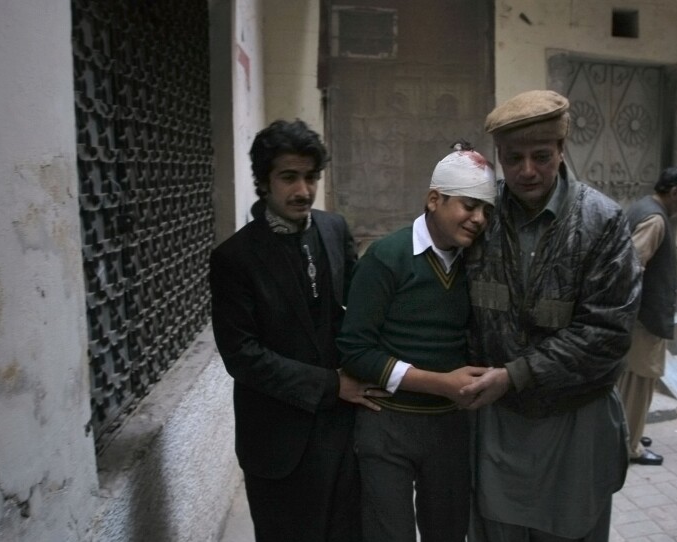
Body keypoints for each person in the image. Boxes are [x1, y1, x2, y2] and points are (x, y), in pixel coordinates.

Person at [461, 90, 642, 542]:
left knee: (572, 526)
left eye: (541, 156)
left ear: (562, 150)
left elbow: (607, 333)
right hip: (498, 424)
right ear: (499, 157)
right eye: (513, 158)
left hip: (576, 422)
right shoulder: (478, 216)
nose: (527, 170)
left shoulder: (603, 221)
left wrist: (516, 374)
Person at [210, 119, 385, 541]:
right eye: (289, 177)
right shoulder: (235, 258)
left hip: (342, 434)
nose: (303, 190)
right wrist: (332, 385)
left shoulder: (333, 229)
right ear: (263, 181)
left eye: (311, 177)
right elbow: (242, 356)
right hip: (278, 441)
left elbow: (356, 312)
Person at [336, 142, 497, 542]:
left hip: (449, 428)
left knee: (448, 531)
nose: (479, 219)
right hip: (387, 424)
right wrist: (440, 383)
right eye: (469, 205)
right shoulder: (386, 257)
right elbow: (355, 350)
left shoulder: (479, 263)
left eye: (486, 210)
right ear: (434, 199)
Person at [618, 167, 677, 467]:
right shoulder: (654, 219)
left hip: (639, 318)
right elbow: (630, 267)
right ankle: (629, 445)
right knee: (639, 383)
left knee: (630, 384)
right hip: (643, 320)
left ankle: (628, 434)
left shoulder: (643, 208)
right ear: (675, 192)